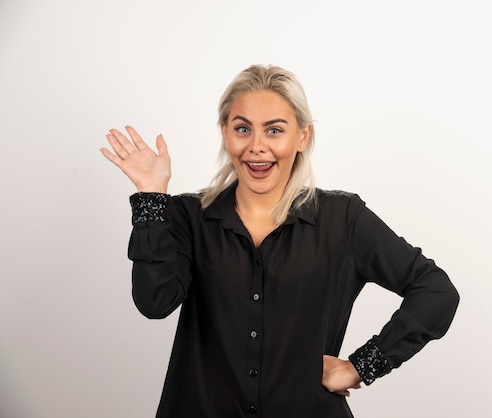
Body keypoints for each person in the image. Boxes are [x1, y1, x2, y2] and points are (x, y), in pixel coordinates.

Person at [100, 64, 459, 418]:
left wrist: (361, 365)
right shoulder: (186, 216)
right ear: (225, 132)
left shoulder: (342, 219)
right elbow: (154, 302)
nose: (257, 147)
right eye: (243, 128)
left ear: (302, 136)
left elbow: (435, 291)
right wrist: (152, 197)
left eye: (274, 130)